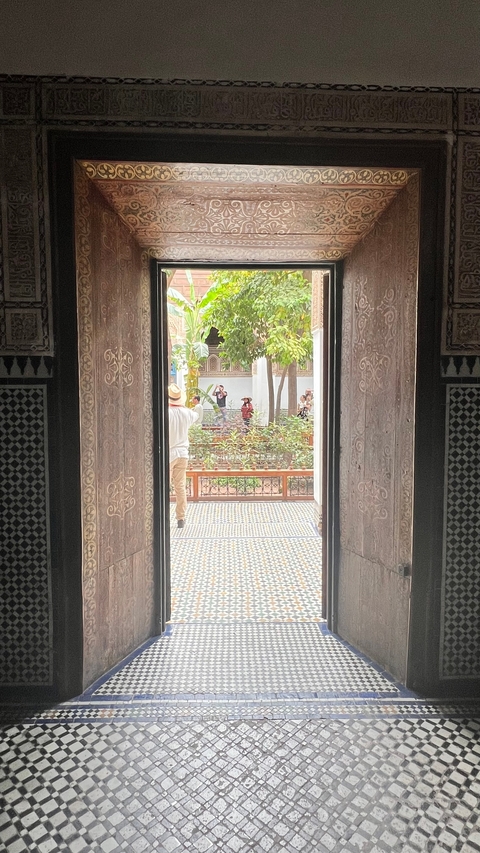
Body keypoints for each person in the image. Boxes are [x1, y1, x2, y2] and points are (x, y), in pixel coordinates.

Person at [168, 383, 198, 528]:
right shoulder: (187, 413)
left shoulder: (165, 412)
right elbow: (195, 415)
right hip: (183, 454)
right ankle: (181, 518)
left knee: (164, 486)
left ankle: (163, 517)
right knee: (180, 486)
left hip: (169, 454)